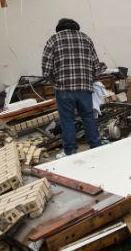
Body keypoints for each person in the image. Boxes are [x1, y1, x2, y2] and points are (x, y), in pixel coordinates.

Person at [42, 18, 103, 155]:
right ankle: (96, 147)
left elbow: (46, 69)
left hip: (63, 89)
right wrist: (89, 79)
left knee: (67, 120)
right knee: (88, 117)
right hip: (84, 88)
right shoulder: (86, 39)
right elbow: (96, 66)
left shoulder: (54, 40)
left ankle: (71, 151)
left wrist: (54, 81)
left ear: (59, 29)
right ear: (76, 27)